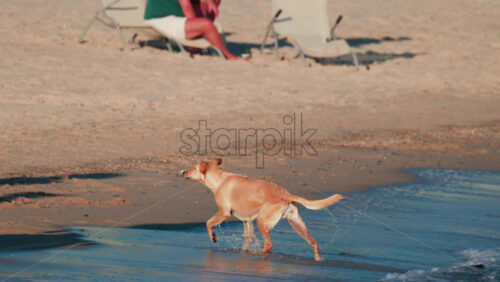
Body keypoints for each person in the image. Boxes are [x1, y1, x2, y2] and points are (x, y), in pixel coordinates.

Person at [144, 0, 242, 60]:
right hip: (161, 20)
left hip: (175, 17)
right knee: (207, 25)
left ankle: (195, 47)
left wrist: (210, 2)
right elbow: (187, 9)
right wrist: (199, 27)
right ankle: (228, 56)